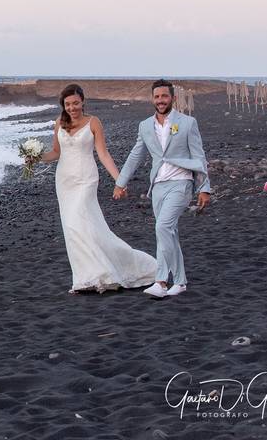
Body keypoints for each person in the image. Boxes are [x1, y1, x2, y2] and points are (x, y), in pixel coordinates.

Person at [39, 84, 157, 293]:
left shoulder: (93, 122)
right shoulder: (59, 123)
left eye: (75, 103)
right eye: (68, 104)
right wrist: (36, 157)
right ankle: (87, 277)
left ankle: (114, 271)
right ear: (63, 105)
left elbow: (103, 154)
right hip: (64, 181)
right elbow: (56, 152)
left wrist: (119, 180)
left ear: (82, 101)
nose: (72, 107)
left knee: (78, 222)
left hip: (86, 179)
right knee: (76, 229)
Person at [114, 79, 211, 299]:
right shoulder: (145, 126)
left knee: (163, 227)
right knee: (168, 233)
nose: (160, 100)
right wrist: (121, 182)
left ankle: (161, 281)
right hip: (158, 185)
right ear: (152, 99)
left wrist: (205, 187)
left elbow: (199, 156)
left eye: (164, 96)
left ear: (172, 98)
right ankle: (179, 282)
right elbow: (136, 155)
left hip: (181, 183)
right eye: (157, 97)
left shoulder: (187, 123)